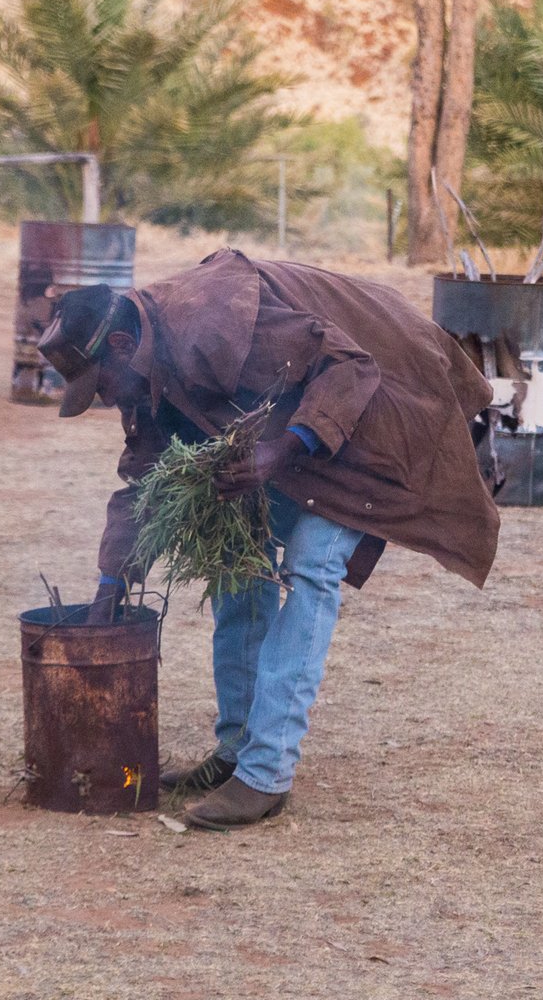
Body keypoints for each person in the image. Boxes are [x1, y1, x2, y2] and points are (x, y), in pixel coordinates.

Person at [41, 251, 500, 831]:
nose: (105, 398)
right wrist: (113, 579)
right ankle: (235, 748)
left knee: (313, 567)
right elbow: (146, 476)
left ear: (119, 347)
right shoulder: (142, 356)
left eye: (98, 384)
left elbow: (350, 368)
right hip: (299, 424)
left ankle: (265, 774)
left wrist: (279, 452)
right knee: (237, 566)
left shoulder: (214, 325)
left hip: (382, 397)